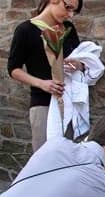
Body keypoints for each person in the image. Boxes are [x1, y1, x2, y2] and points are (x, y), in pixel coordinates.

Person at [7, 0, 84, 152]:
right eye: (68, 8)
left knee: (69, 158)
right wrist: (42, 84)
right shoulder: (25, 30)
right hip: (43, 105)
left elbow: (82, 59)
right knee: (44, 159)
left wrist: (79, 65)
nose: (70, 15)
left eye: (74, 11)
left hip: (70, 104)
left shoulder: (69, 29)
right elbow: (13, 69)